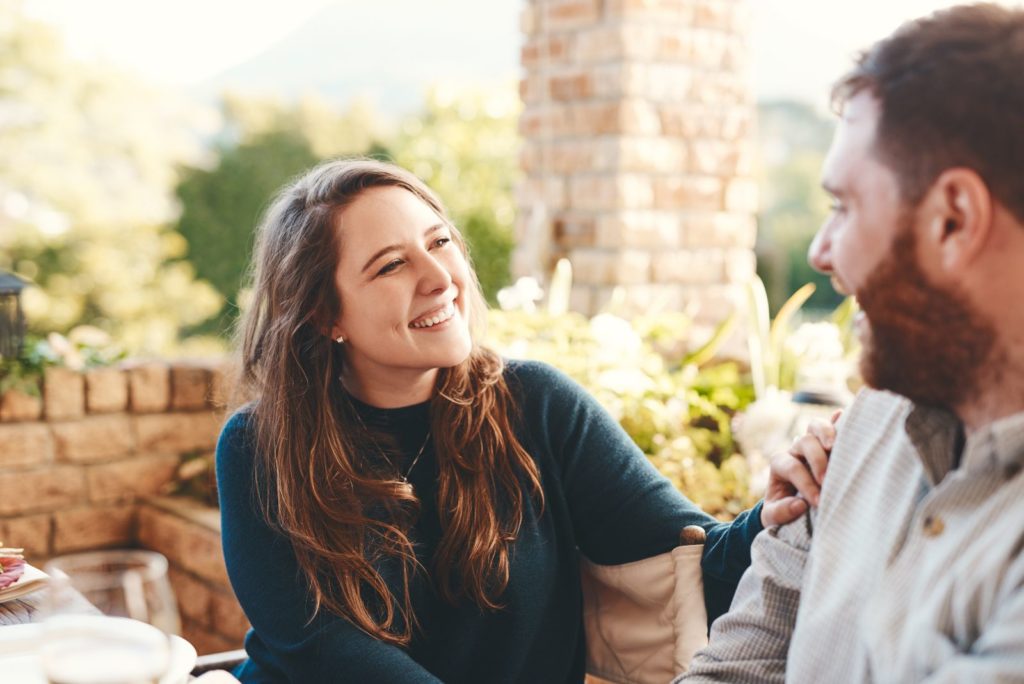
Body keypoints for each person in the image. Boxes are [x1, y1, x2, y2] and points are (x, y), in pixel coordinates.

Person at [215, 158, 815, 682]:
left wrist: (776, 513)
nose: (438, 278)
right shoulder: (259, 446)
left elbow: (691, 565)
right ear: (324, 314)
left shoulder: (536, 406)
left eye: (440, 242)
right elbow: (323, 649)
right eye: (391, 265)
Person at [679, 4, 1024, 682]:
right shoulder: (863, 430)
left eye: (843, 206)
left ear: (953, 219)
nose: (820, 250)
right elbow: (728, 671)